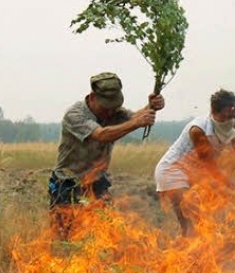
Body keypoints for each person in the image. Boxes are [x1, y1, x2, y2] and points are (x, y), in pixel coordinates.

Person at [49, 72, 164, 239]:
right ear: (92, 97)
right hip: (68, 182)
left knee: (107, 232)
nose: (109, 112)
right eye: (105, 107)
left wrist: (151, 106)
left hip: (96, 182)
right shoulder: (75, 115)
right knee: (64, 236)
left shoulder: (113, 111)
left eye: (113, 106)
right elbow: (102, 135)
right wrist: (137, 123)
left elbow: (133, 118)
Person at [155, 89, 235, 237]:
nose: (231, 118)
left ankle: (196, 253)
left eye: (234, 114)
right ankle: (186, 255)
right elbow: (210, 166)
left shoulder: (232, 125)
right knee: (191, 219)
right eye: (227, 114)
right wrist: (232, 187)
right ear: (215, 111)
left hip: (193, 172)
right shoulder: (198, 130)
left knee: (203, 218)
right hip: (172, 171)